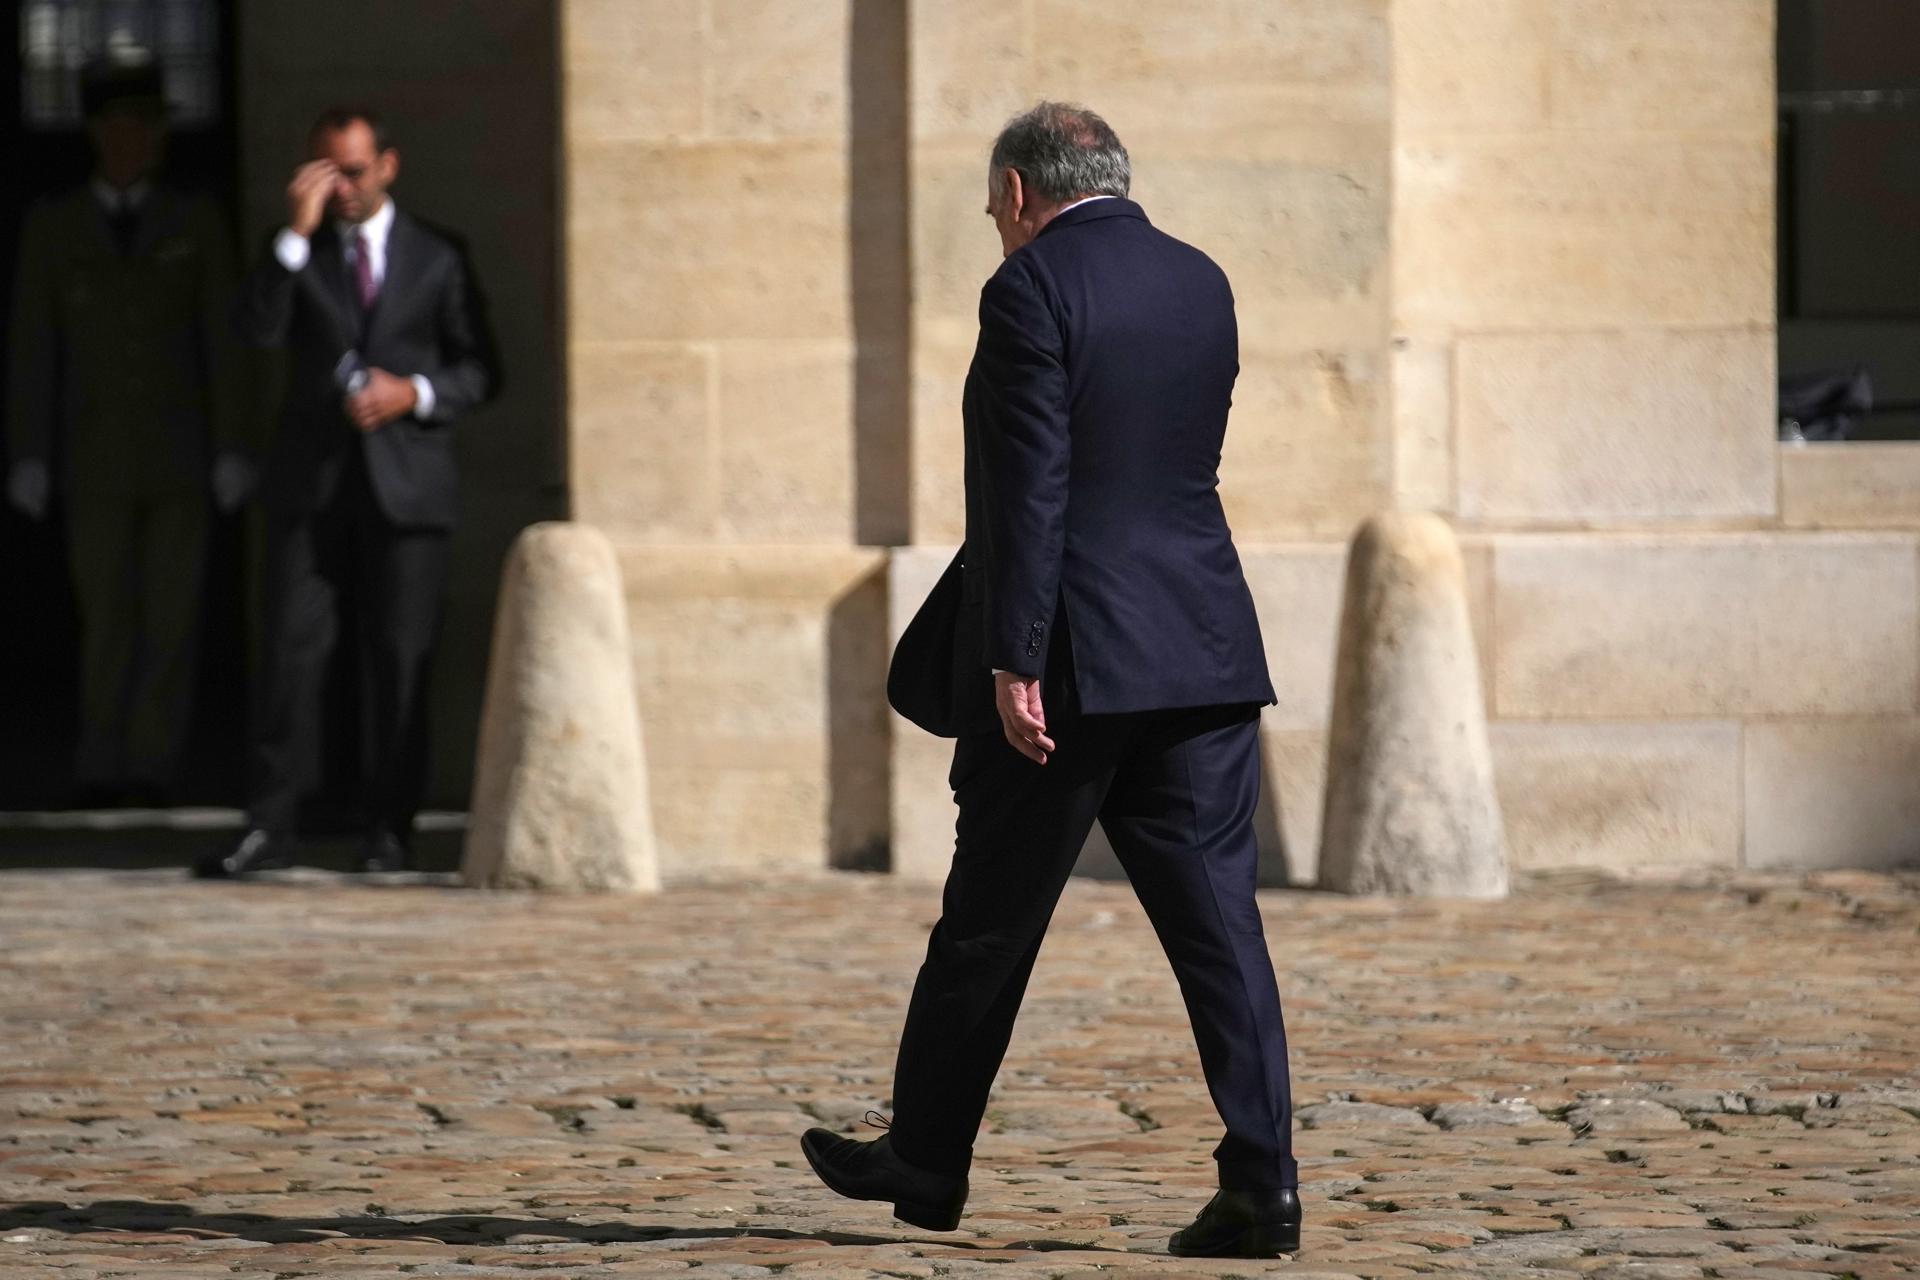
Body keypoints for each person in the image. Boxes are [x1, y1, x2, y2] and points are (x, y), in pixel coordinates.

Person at [800, 103, 1301, 1259]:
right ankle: (1264, 1180)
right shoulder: (1202, 278)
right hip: (1203, 650)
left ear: (1022, 192)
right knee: (1224, 931)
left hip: (1072, 663)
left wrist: (1015, 659)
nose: (995, 229)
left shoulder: (1029, 290)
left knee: (987, 920)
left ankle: (925, 1156)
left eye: (992, 209)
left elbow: (1032, 487)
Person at [196, 107, 494, 878]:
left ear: (388, 165)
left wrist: (414, 394)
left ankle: (387, 827)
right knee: (292, 655)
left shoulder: (437, 257)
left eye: (354, 173)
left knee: (399, 659)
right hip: (313, 485)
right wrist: (294, 236)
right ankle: (271, 824)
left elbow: (479, 368)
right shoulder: (299, 254)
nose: (342, 190)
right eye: (326, 174)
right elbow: (255, 330)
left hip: (408, 486)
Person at [5, 58, 251, 807]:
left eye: (143, 130)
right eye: (116, 129)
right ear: (94, 135)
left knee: (171, 616)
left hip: (178, 450)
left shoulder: (194, 220)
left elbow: (225, 339)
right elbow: (33, 344)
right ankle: (99, 758)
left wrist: (233, 443)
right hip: (94, 453)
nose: (130, 144)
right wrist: (29, 452)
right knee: (105, 613)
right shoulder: (55, 224)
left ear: (160, 140)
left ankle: (153, 759)